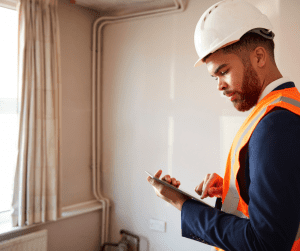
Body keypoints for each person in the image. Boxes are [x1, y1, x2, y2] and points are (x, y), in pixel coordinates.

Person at [146, 0, 300, 250]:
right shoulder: (284, 107)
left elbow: (266, 243)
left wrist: (182, 204)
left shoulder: (276, 123)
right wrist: (235, 188)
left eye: (224, 71)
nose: (219, 86)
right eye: (214, 77)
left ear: (259, 56)